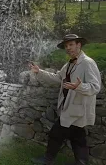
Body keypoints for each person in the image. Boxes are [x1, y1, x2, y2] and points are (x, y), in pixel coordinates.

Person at [29, 34, 102, 165]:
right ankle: (80, 162)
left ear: (79, 45)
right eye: (66, 46)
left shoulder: (87, 63)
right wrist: (39, 72)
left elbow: (96, 87)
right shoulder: (68, 64)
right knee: (78, 138)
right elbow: (57, 78)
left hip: (76, 109)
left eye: (71, 44)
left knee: (56, 134)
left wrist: (79, 87)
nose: (68, 48)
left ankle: (47, 160)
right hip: (71, 108)